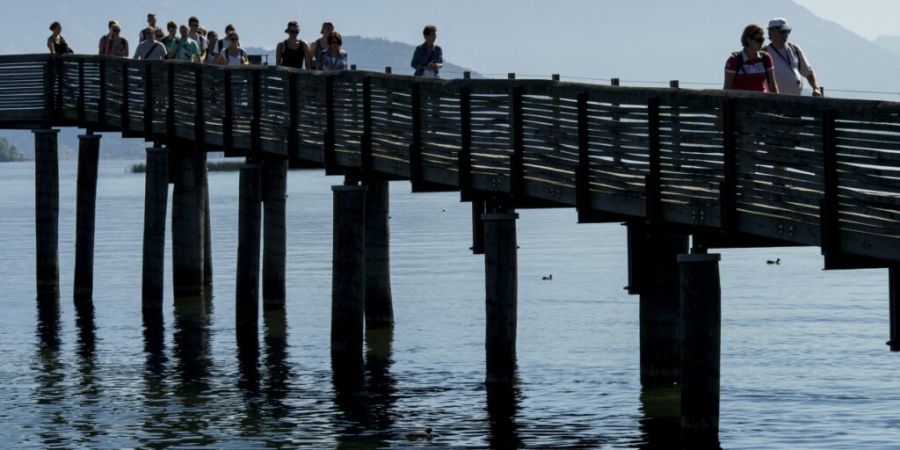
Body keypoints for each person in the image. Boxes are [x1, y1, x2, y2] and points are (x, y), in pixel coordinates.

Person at [764, 18, 822, 96]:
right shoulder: (764, 52)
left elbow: (809, 72)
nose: (785, 34)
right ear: (771, 32)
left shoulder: (795, 49)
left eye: (787, 31)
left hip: (795, 100)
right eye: (782, 31)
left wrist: (816, 88)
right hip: (773, 101)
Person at [724, 24, 778, 93]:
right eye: (759, 40)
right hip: (741, 102)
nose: (762, 43)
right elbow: (727, 89)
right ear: (748, 40)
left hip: (761, 102)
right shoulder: (734, 60)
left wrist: (778, 103)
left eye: (763, 40)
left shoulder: (765, 58)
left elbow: (773, 85)